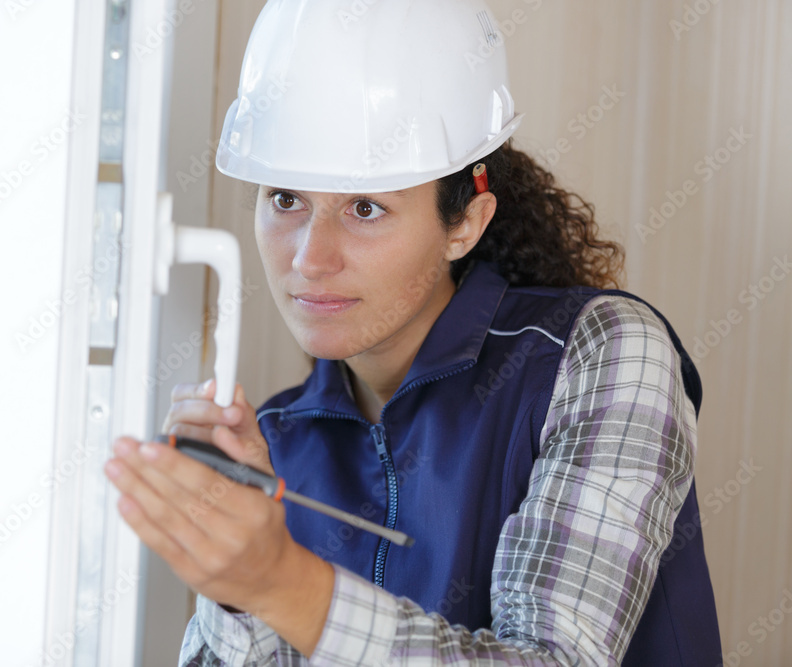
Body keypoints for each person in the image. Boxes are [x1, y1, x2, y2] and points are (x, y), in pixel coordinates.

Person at [102, 1, 723, 664]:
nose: (310, 258)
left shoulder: (602, 355)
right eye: (286, 199)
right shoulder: (275, 441)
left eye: (365, 208)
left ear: (466, 222)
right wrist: (239, 595)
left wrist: (282, 582)